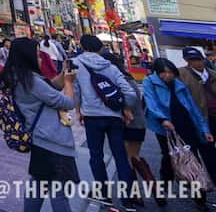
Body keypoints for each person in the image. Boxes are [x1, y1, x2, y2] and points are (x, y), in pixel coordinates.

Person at [0, 37, 79, 212]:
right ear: (27, 56)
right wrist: (68, 83)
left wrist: (63, 75)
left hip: (40, 139)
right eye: (37, 55)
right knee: (58, 192)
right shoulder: (32, 81)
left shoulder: (20, 77)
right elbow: (67, 103)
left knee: (38, 187)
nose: (41, 58)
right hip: (53, 141)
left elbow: (49, 89)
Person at [143, 58, 216, 207]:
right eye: (164, 72)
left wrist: (204, 130)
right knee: (171, 157)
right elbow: (151, 103)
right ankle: (169, 178)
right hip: (166, 129)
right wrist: (162, 119)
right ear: (157, 72)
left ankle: (199, 197)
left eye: (171, 72)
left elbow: (193, 109)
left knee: (192, 160)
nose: (168, 75)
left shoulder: (179, 85)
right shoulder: (149, 82)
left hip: (186, 126)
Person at [73, 34, 136, 204]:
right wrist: (125, 107)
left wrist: (78, 111)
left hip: (92, 116)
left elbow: (76, 91)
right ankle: (127, 198)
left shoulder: (76, 63)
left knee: (96, 155)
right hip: (114, 116)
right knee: (120, 156)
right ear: (100, 48)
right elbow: (129, 92)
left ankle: (103, 193)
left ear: (82, 46)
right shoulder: (110, 66)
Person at [106, 52, 157, 207]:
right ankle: (154, 189)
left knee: (128, 160)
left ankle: (137, 193)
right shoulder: (127, 78)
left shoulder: (119, 80)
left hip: (128, 123)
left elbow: (130, 100)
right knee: (135, 157)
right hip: (138, 123)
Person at [179, 46, 216, 136]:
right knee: (207, 144)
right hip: (200, 116)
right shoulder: (181, 74)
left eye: (199, 59)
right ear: (186, 60)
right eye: (193, 60)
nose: (198, 63)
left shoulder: (213, 73)